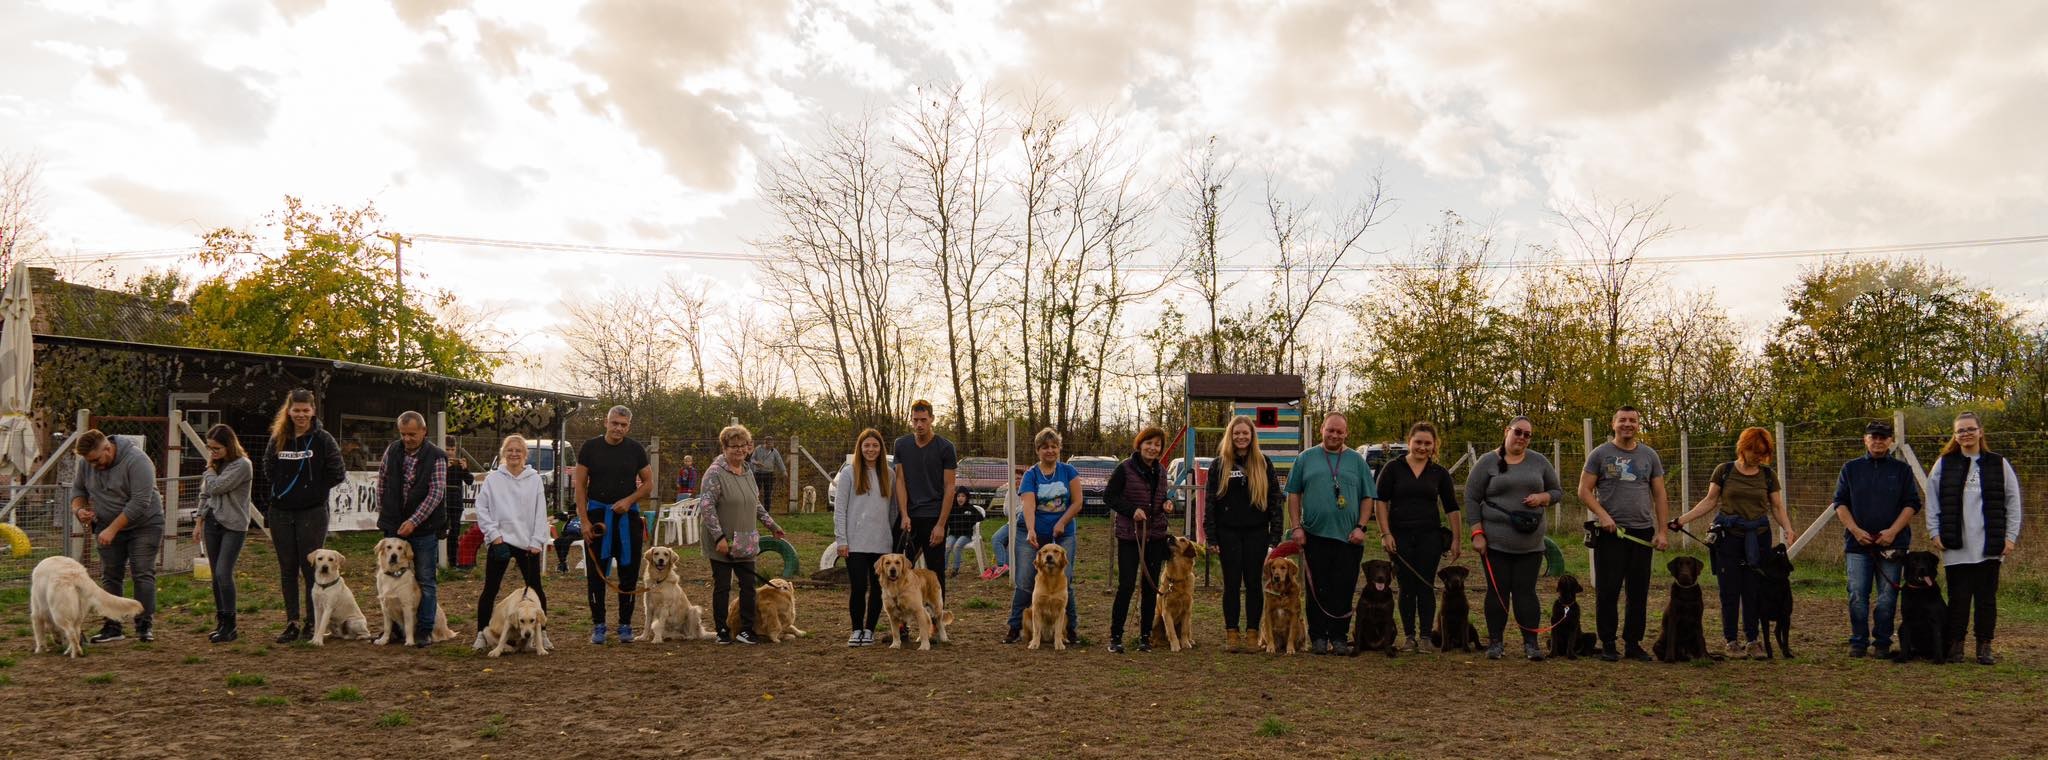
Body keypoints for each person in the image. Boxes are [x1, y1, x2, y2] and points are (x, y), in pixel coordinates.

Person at [1673, 427, 1794, 660]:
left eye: (1763, 452)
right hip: (1728, 538)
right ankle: (1730, 640)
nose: (1758, 456)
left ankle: (1752, 639)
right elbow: (1709, 501)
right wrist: (1681, 520)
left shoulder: (1767, 475)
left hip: (1758, 538)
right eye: (1755, 451)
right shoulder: (1725, 471)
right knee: (1729, 591)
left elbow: (1777, 506)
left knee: (1754, 590)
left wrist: (1787, 528)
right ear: (1743, 448)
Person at [1924, 412, 2023, 665]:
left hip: (1990, 545)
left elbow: (2013, 501)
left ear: (1980, 431)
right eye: (1960, 431)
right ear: (1955, 436)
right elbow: (1932, 500)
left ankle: (1984, 646)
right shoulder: (1944, 464)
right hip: (1956, 544)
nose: (1966, 434)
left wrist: (2010, 537)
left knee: (1986, 599)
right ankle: (1956, 645)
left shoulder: (1998, 464)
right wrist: (1935, 532)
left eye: (1970, 429)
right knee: (1958, 599)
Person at [1465, 416, 1563, 661]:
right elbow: (1471, 497)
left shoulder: (1539, 462)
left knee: (1526, 593)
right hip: (1495, 544)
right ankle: (1496, 643)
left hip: (1530, 545)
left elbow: (1557, 492)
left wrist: (1542, 498)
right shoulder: (1487, 462)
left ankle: (1531, 643)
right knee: (1497, 592)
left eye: (1527, 434)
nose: (1522, 437)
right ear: (1506, 431)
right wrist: (1477, 532)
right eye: (1518, 432)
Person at [1578, 405, 1671, 662]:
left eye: (1632, 420)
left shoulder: (1649, 456)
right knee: (1608, 590)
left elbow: (1660, 494)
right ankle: (1608, 642)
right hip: (1611, 533)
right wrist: (1603, 516)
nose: (1627, 424)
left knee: (1638, 591)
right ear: (1613, 424)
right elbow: (1584, 491)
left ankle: (1633, 642)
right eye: (1622, 420)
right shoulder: (1600, 454)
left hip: (1641, 532)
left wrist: (1662, 531)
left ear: (1638, 425)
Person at [1283, 412, 1378, 656]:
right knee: (1318, 589)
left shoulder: (1356, 461)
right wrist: (1296, 527)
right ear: (1322, 430)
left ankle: (1338, 636)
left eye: (1339, 431)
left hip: (1348, 538)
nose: (1334, 435)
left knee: (1343, 587)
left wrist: (1361, 527)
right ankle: (1318, 636)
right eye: (1330, 430)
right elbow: (1293, 494)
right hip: (1314, 535)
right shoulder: (1306, 458)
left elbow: (1368, 496)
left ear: (1346, 433)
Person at [1371, 421, 1465, 653]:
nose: (1422, 447)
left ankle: (1425, 637)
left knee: (1425, 585)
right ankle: (1409, 637)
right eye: (1418, 442)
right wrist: (1385, 533)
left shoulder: (1439, 473)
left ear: (1434, 446)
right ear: (1409, 442)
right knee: (1406, 586)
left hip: (1429, 537)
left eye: (1427, 443)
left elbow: (1452, 507)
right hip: (1399, 537)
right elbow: (1380, 502)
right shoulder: (1393, 468)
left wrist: (1456, 539)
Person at [262, 388, 346, 643]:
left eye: (305, 410)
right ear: (288, 411)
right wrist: (281, 490)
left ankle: (313, 622)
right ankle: (292, 622)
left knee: (311, 568)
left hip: (312, 512)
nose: (300, 415)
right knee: (287, 569)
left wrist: (314, 491)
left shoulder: (323, 439)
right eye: (296, 410)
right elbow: (268, 467)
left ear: (313, 411)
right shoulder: (278, 438)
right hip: (281, 512)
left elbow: (337, 471)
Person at [1831, 420, 1920, 658]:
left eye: (1883, 437)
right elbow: (1839, 503)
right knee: (1858, 594)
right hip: (1858, 545)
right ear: (1865, 439)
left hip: (1892, 544)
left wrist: (1892, 532)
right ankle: (1858, 641)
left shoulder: (1902, 471)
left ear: (1890, 441)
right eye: (1874, 437)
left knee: (1887, 596)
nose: (1878, 441)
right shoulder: (1851, 469)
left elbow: (1912, 504)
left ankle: (1882, 642)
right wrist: (1855, 530)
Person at [70, 429, 164, 644]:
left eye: (97, 460)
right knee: (110, 575)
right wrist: (79, 510)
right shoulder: (87, 463)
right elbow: (78, 491)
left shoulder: (137, 460)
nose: (94, 466)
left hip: (145, 524)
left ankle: (144, 624)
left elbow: (140, 502)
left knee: (142, 572)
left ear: (107, 448)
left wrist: (112, 529)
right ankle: (113, 625)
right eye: (89, 462)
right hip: (106, 524)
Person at [701, 423, 787, 645]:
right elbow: (707, 507)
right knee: (722, 586)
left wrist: (772, 525)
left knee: (748, 585)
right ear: (724, 447)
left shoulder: (748, 471)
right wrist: (718, 537)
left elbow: (755, 504)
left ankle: (746, 630)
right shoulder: (714, 473)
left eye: (743, 445)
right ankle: (722, 630)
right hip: (724, 542)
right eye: (734, 446)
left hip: (746, 541)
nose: (739, 450)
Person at [1204, 415, 1283, 652]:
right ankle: (1232, 633)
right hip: (1227, 534)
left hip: (1256, 534)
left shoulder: (1264, 463)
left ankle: (1252, 633)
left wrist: (1275, 536)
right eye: (1236, 433)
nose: (1241, 437)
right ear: (1230, 435)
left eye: (1245, 433)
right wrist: (1211, 536)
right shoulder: (1219, 465)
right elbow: (1210, 502)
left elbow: (1275, 502)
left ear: (1252, 436)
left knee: (1253, 585)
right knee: (1231, 585)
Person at [577, 405, 654, 644]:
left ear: (628, 426)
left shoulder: (635, 450)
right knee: (596, 574)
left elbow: (649, 482)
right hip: (598, 517)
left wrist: (629, 500)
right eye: (614, 423)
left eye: (623, 425)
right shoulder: (590, 448)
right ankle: (598, 625)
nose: (618, 428)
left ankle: (625, 625)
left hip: (627, 518)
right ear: (606, 422)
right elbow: (580, 486)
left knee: (629, 571)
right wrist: (584, 521)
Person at [472, 435, 552, 650]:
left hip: (528, 544)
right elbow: (482, 509)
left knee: (536, 589)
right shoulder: (493, 479)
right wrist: (494, 536)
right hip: (501, 542)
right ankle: (482, 633)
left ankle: (541, 635)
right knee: (490, 589)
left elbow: (540, 512)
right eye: (510, 450)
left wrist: (537, 540)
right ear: (503, 453)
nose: (514, 454)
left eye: (518, 450)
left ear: (525, 454)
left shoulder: (534, 479)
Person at [376, 411, 448, 649]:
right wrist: (383, 511)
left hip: (425, 527)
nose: (407, 439)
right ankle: (395, 629)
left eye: (412, 434)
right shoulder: (392, 451)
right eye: (403, 434)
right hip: (393, 524)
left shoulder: (437, 457)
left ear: (424, 432)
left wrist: (414, 521)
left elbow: (436, 493)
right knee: (388, 576)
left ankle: (424, 630)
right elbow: (382, 481)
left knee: (426, 580)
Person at [1005, 428, 1081, 646]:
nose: (1050, 450)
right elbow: (1028, 504)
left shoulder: (1069, 471)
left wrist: (1061, 522)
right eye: (1045, 447)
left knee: (1067, 578)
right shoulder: (1031, 475)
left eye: (1054, 446)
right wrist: (1031, 529)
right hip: (1032, 532)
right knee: (1025, 580)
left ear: (1059, 449)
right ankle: (1015, 627)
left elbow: (1077, 502)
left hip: (1063, 530)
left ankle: (1071, 629)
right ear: (1038, 450)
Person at [1105, 426, 1173, 653]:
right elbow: (1109, 497)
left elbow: (1163, 496)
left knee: (1150, 586)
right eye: (1149, 443)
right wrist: (1131, 509)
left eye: (1157, 445)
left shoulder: (1162, 471)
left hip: (1155, 536)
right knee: (1126, 585)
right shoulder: (1124, 469)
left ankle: (1145, 636)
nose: (1153, 448)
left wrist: (1167, 503)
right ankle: (1116, 636)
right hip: (1130, 535)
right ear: (1140, 444)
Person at [833, 428, 894, 648]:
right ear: (860, 448)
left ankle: (870, 630)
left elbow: (893, 510)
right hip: (855, 542)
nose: (870, 449)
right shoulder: (850, 473)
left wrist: (891, 535)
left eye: (875, 446)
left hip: (881, 543)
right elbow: (840, 509)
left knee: (878, 589)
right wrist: (842, 539)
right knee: (859, 587)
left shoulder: (889, 474)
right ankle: (856, 629)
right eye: (866, 445)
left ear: (881, 448)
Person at [894, 400, 959, 595]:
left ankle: (936, 621)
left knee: (935, 572)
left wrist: (941, 524)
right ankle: (903, 619)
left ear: (931, 419)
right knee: (900, 568)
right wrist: (904, 515)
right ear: (911, 421)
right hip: (910, 517)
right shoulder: (901, 445)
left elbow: (950, 487)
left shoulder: (945, 447)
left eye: (923, 420)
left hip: (934, 516)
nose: (919, 425)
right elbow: (900, 481)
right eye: (915, 420)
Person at [198, 424, 254, 644]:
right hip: (212, 522)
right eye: (210, 448)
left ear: (229, 445)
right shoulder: (215, 466)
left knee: (223, 572)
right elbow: (205, 494)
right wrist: (199, 519)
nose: (212, 452)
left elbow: (216, 487)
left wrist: (210, 472)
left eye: (217, 448)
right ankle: (221, 620)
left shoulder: (242, 465)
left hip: (233, 525)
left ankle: (231, 625)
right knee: (215, 575)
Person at [443, 452, 475, 570]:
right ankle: (438, 560)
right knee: (439, 532)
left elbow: (470, 481)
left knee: (454, 532)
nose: (449, 452)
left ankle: (452, 562)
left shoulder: (459, 465)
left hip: (456, 503)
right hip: (442, 503)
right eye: (447, 448)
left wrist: (465, 469)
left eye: (451, 448)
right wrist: (444, 468)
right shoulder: (439, 462)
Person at [944, 487, 985, 578]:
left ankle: (955, 569)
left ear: (966, 498)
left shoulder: (970, 508)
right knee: (947, 547)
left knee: (957, 546)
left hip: (966, 535)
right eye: (958, 496)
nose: (960, 498)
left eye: (963, 496)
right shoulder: (952, 508)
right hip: (953, 534)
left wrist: (970, 518)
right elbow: (945, 520)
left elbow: (981, 517)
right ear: (956, 497)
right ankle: (943, 568)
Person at [750, 435, 784, 509]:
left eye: (772, 444)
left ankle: (767, 511)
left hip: (769, 474)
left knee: (768, 493)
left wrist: (784, 471)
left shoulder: (774, 451)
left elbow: (779, 461)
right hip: (758, 473)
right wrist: (756, 463)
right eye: (769, 444)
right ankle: (754, 509)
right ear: (765, 443)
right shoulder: (758, 449)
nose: (771, 445)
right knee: (756, 491)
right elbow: (752, 459)